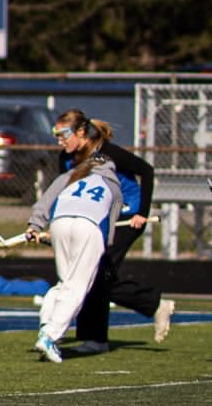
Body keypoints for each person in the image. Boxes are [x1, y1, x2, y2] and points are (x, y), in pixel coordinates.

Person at [53, 109, 175, 352]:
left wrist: (142, 211)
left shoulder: (107, 153)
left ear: (80, 131)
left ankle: (97, 339)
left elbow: (146, 171)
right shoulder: (65, 160)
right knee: (88, 274)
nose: (60, 140)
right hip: (96, 220)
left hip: (128, 219)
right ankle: (149, 305)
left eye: (64, 134)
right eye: (56, 135)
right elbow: (65, 194)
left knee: (96, 274)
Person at [27, 124, 123, 363]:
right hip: (88, 228)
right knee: (78, 286)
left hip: (59, 224)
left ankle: (45, 324)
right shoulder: (114, 185)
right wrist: (105, 249)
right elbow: (109, 227)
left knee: (64, 282)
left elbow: (45, 201)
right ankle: (49, 336)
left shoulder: (71, 175)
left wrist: (35, 225)